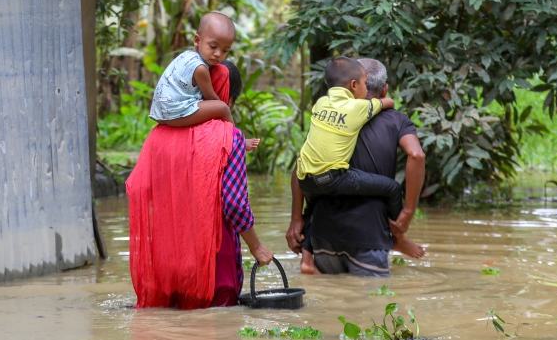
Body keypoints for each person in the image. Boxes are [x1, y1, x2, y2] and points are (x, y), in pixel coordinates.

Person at [127, 60, 273, 309]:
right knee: (218, 337)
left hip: (166, 267)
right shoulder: (230, 137)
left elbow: (139, 189)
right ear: (227, 98)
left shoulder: (158, 135)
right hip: (213, 268)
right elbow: (235, 204)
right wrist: (257, 247)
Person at [287, 59, 426, 277]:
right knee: (373, 308)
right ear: (384, 89)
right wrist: (407, 212)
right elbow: (416, 155)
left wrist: (297, 219)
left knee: (328, 307)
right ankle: (398, 239)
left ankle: (307, 255)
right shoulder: (396, 120)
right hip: (370, 237)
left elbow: (301, 166)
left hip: (323, 235)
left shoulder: (325, 113)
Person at [296, 57, 406, 230]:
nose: (366, 88)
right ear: (354, 85)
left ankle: (307, 251)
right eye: (365, 83)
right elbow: (389, 102)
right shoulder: (359, 107)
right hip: (332, 179)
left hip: (305, 181)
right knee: (393, 188)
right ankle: (398, 233)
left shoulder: (320, 103)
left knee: (316, 209)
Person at [149, 12, 236, 127]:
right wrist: (224, 105)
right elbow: (211, 98)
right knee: (223, 108)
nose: (218, 54)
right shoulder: (200, 68)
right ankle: (238, 139)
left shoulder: (186, 55)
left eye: (225, 50)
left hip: (163, 110)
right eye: (213, 46)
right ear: (197, 40)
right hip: (174, 113)